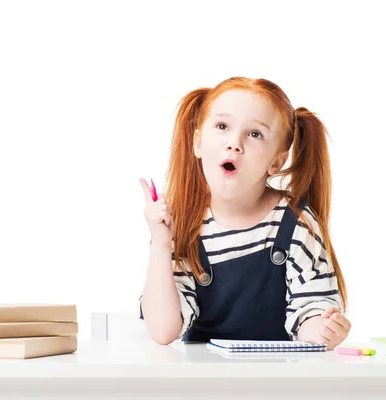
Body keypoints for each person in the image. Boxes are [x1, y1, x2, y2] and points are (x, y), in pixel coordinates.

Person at [138, 76, 350, 349]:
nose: (234, 143)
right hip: (205, 384)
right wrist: (161, 243)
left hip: (277, 381)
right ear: (198, 143)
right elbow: (163, 330)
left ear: (277, 161)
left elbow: (310, 310)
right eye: (223, 126)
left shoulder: (296, 223)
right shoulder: (184, 225)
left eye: (255, 134)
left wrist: (325, 328)